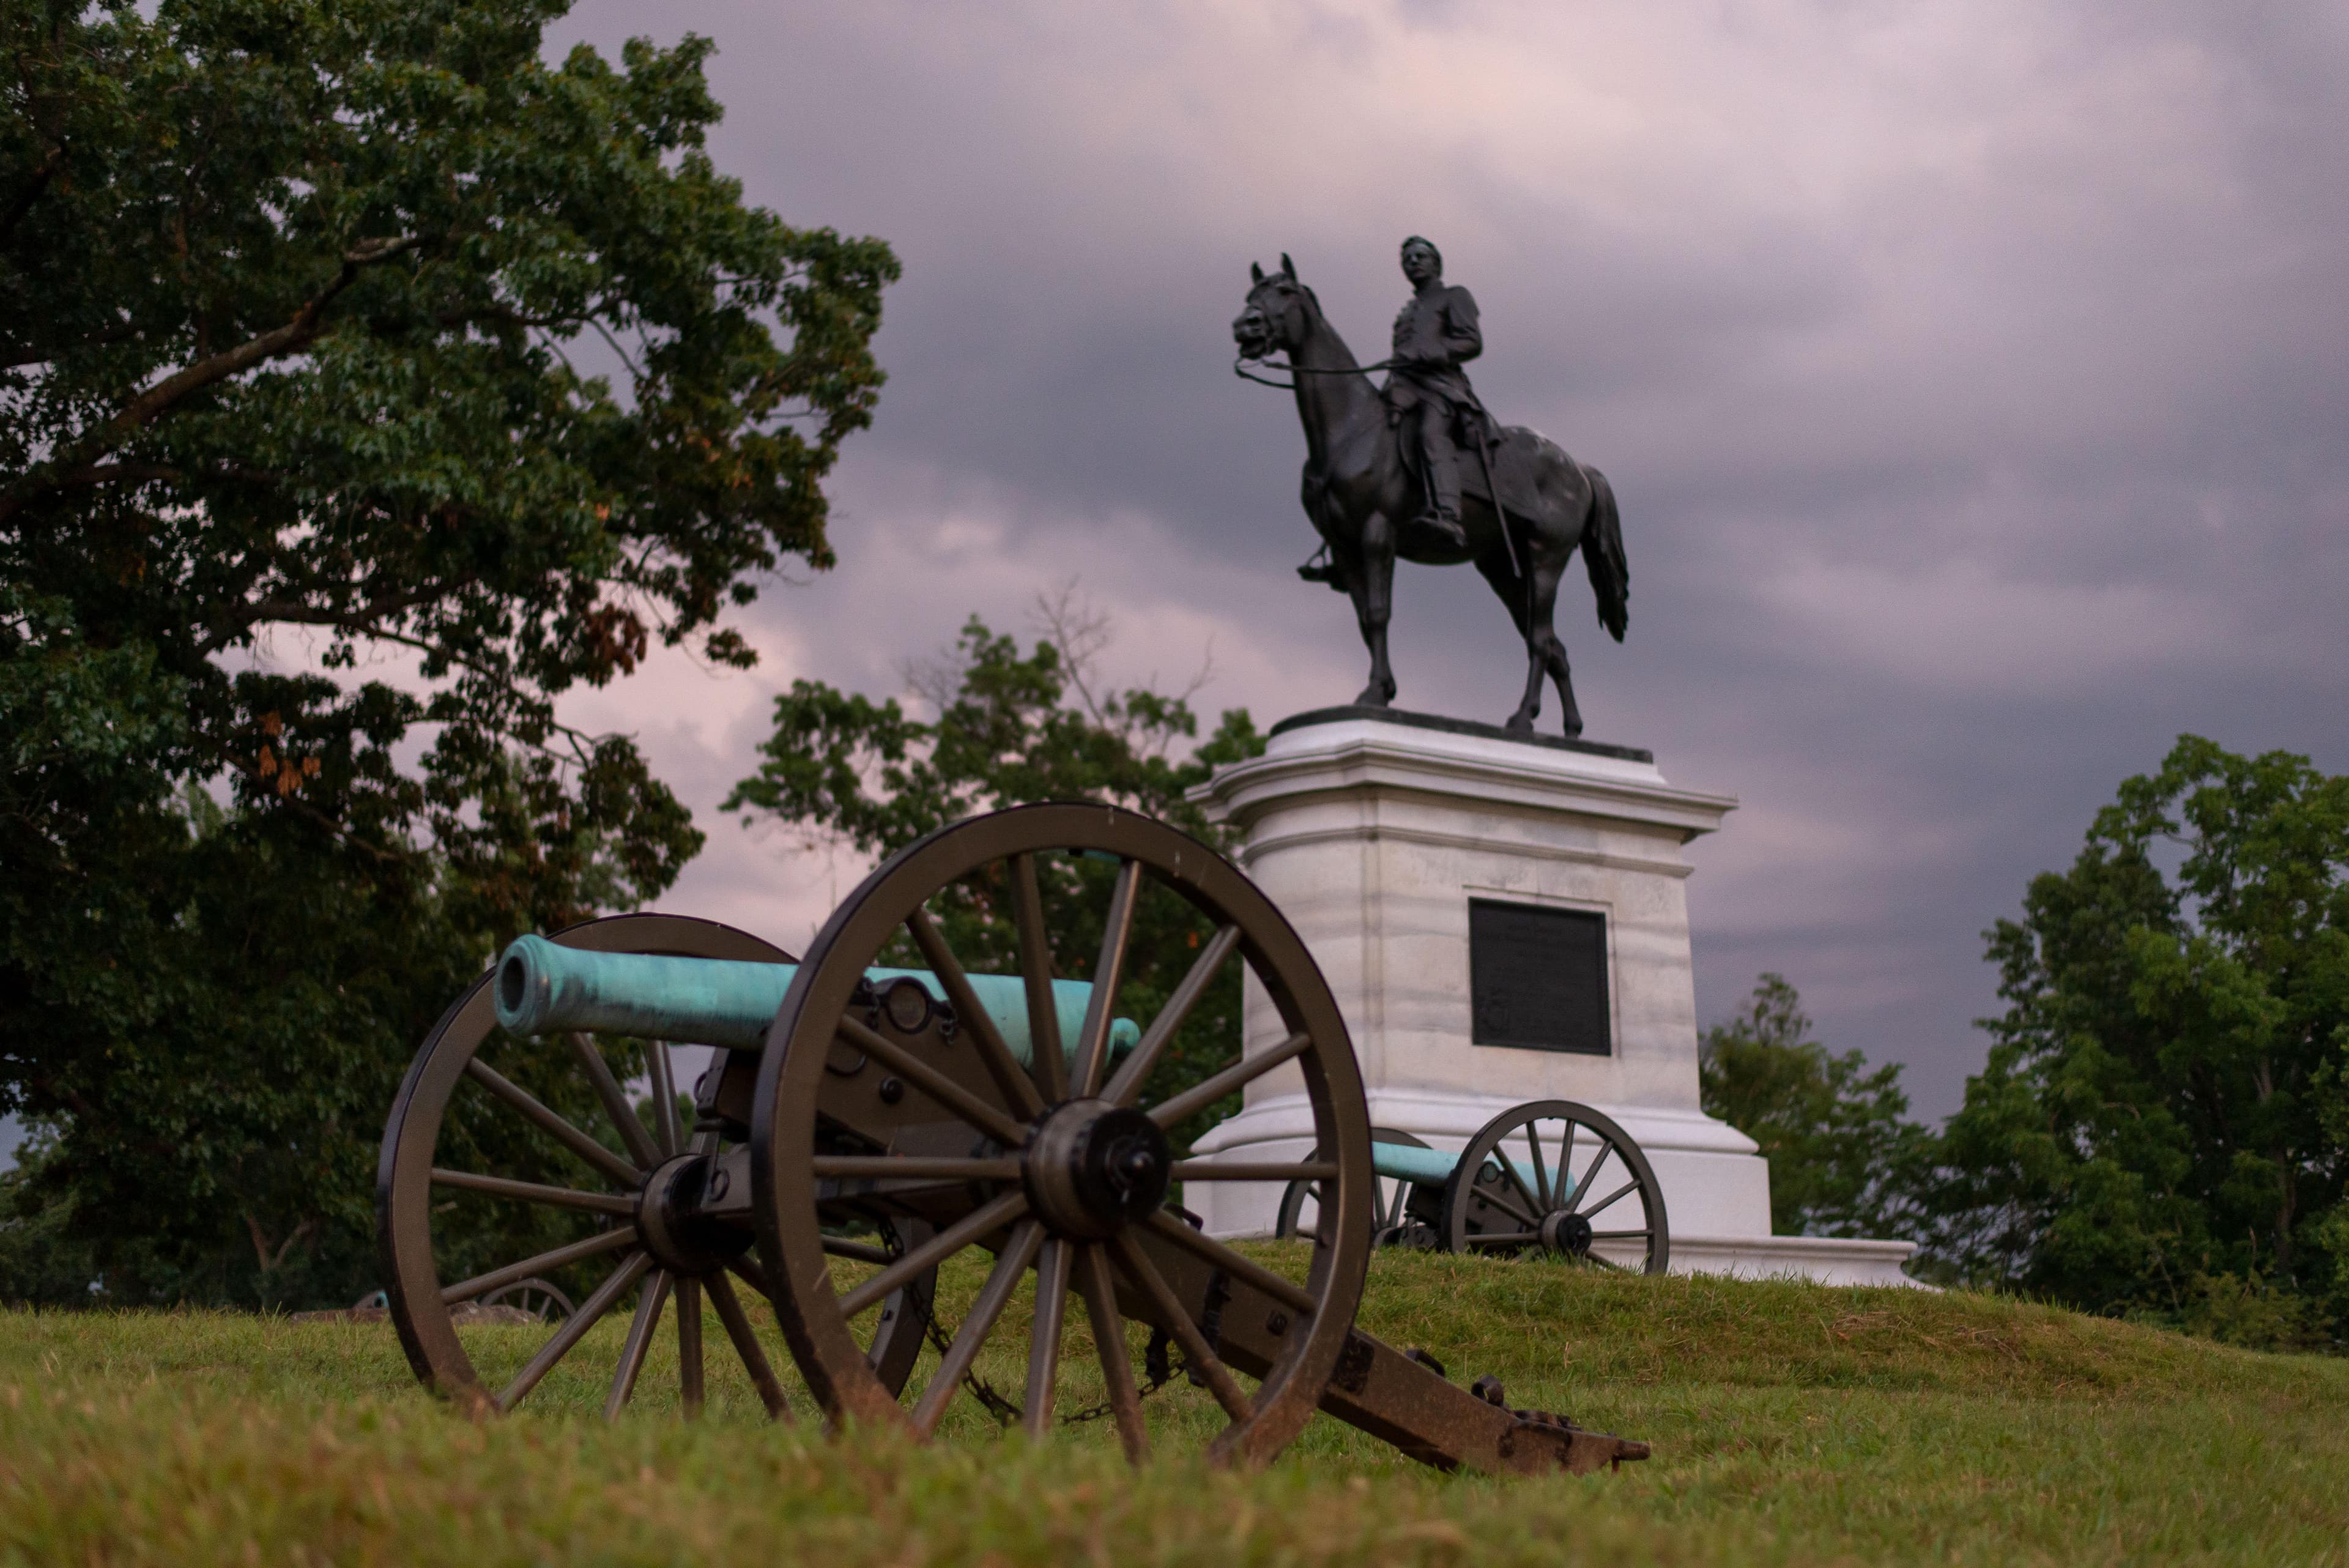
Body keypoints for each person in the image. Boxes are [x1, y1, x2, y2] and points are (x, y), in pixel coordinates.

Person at [1384, 235, 1480, 551]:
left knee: (1430, 435)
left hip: (1441, 390)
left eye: (1420, 256)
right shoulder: (1407, 312)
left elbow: (1471, 342)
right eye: (1407, 259)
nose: (1413, 262)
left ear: (1436, 264)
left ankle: (1449, 515)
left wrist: (1427, 353)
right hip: (1403, 388)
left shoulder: (1455, 296)